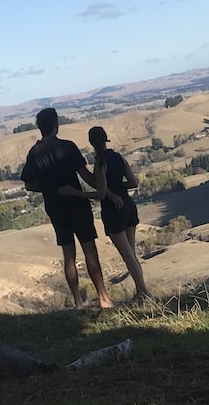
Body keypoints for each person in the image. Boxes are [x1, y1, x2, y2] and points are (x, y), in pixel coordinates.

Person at [20, 108, 114, 310]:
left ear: (39, 127)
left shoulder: (33, 153)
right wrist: (102, 182)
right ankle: (104, 299)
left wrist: (49, 188)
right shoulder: (68, 147)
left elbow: (29, 185)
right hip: (77, 205)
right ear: (56, 125)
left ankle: (78, 302)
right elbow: (85, 176)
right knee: (90, 251)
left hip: (55, 207)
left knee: (68, 255)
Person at [60, 126, 150, 305]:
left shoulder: (100, 163)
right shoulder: (119, 158)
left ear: (91, 142)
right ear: (106, 139)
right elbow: (133, 182)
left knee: (128, 256)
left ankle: (145, 293)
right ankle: (141, 292)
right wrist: (116, 189)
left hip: (113, 212)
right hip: (129, 206)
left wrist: (75, 193)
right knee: (131, 254)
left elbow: (99, 194)